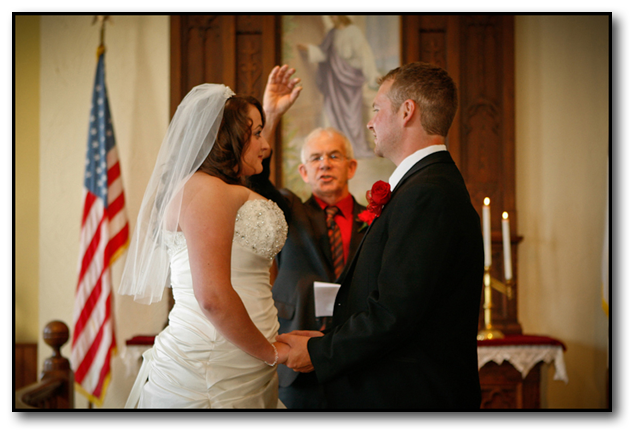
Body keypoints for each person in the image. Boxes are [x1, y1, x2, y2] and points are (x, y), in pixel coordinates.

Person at [278, 62, 484, 408]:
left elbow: (394, 314)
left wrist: (319, 351)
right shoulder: (424, 186)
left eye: (377, 109)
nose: (370, 122)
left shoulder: (427, 193)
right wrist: (329, 338)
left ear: (407, 112)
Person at [119, 83, 291, 408]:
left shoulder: (217, 189)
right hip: (212, 363)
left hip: (243, 356)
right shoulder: (206, 190)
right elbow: (212, 298)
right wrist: (271, 352)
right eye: (255, 133)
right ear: (226, 139)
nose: (265, 145)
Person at [250, 65, 369, 408]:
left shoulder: (374, 220)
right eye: (315, 158)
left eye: (334, 156)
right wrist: (270, 114)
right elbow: (258, 180)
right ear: (303, 171)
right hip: (297, 360)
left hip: (355, 360)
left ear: (351, 166)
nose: (325, 164)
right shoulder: (287, 210)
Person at [297, 15, 379, 159]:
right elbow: (323, 53)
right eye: (331, 16)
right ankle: (337, 149)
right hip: (334, 84)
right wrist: (309, 48)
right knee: (334, 114)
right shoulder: (332, 33)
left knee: (353, 117)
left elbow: (365, 55)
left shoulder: (354, 32)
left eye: (335, 15)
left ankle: (355, 148)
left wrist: (372, 77)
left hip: (350, 82)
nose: (333, 18)